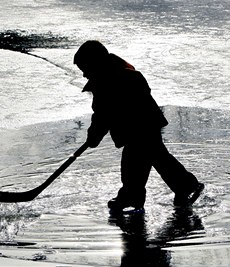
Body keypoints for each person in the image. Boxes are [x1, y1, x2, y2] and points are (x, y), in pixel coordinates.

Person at [74, 40, 204, 211]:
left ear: (96, 63)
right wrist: (95, 136)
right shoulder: (117, 74)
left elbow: (102, 116)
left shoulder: (109, 81)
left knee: (134, 166)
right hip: (146, 126)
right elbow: (103, 115)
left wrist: (94, 137)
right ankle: (184, 186)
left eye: (85, 69)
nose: (84, 75)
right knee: (157, 159)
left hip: (140, 129)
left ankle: (133, 197)